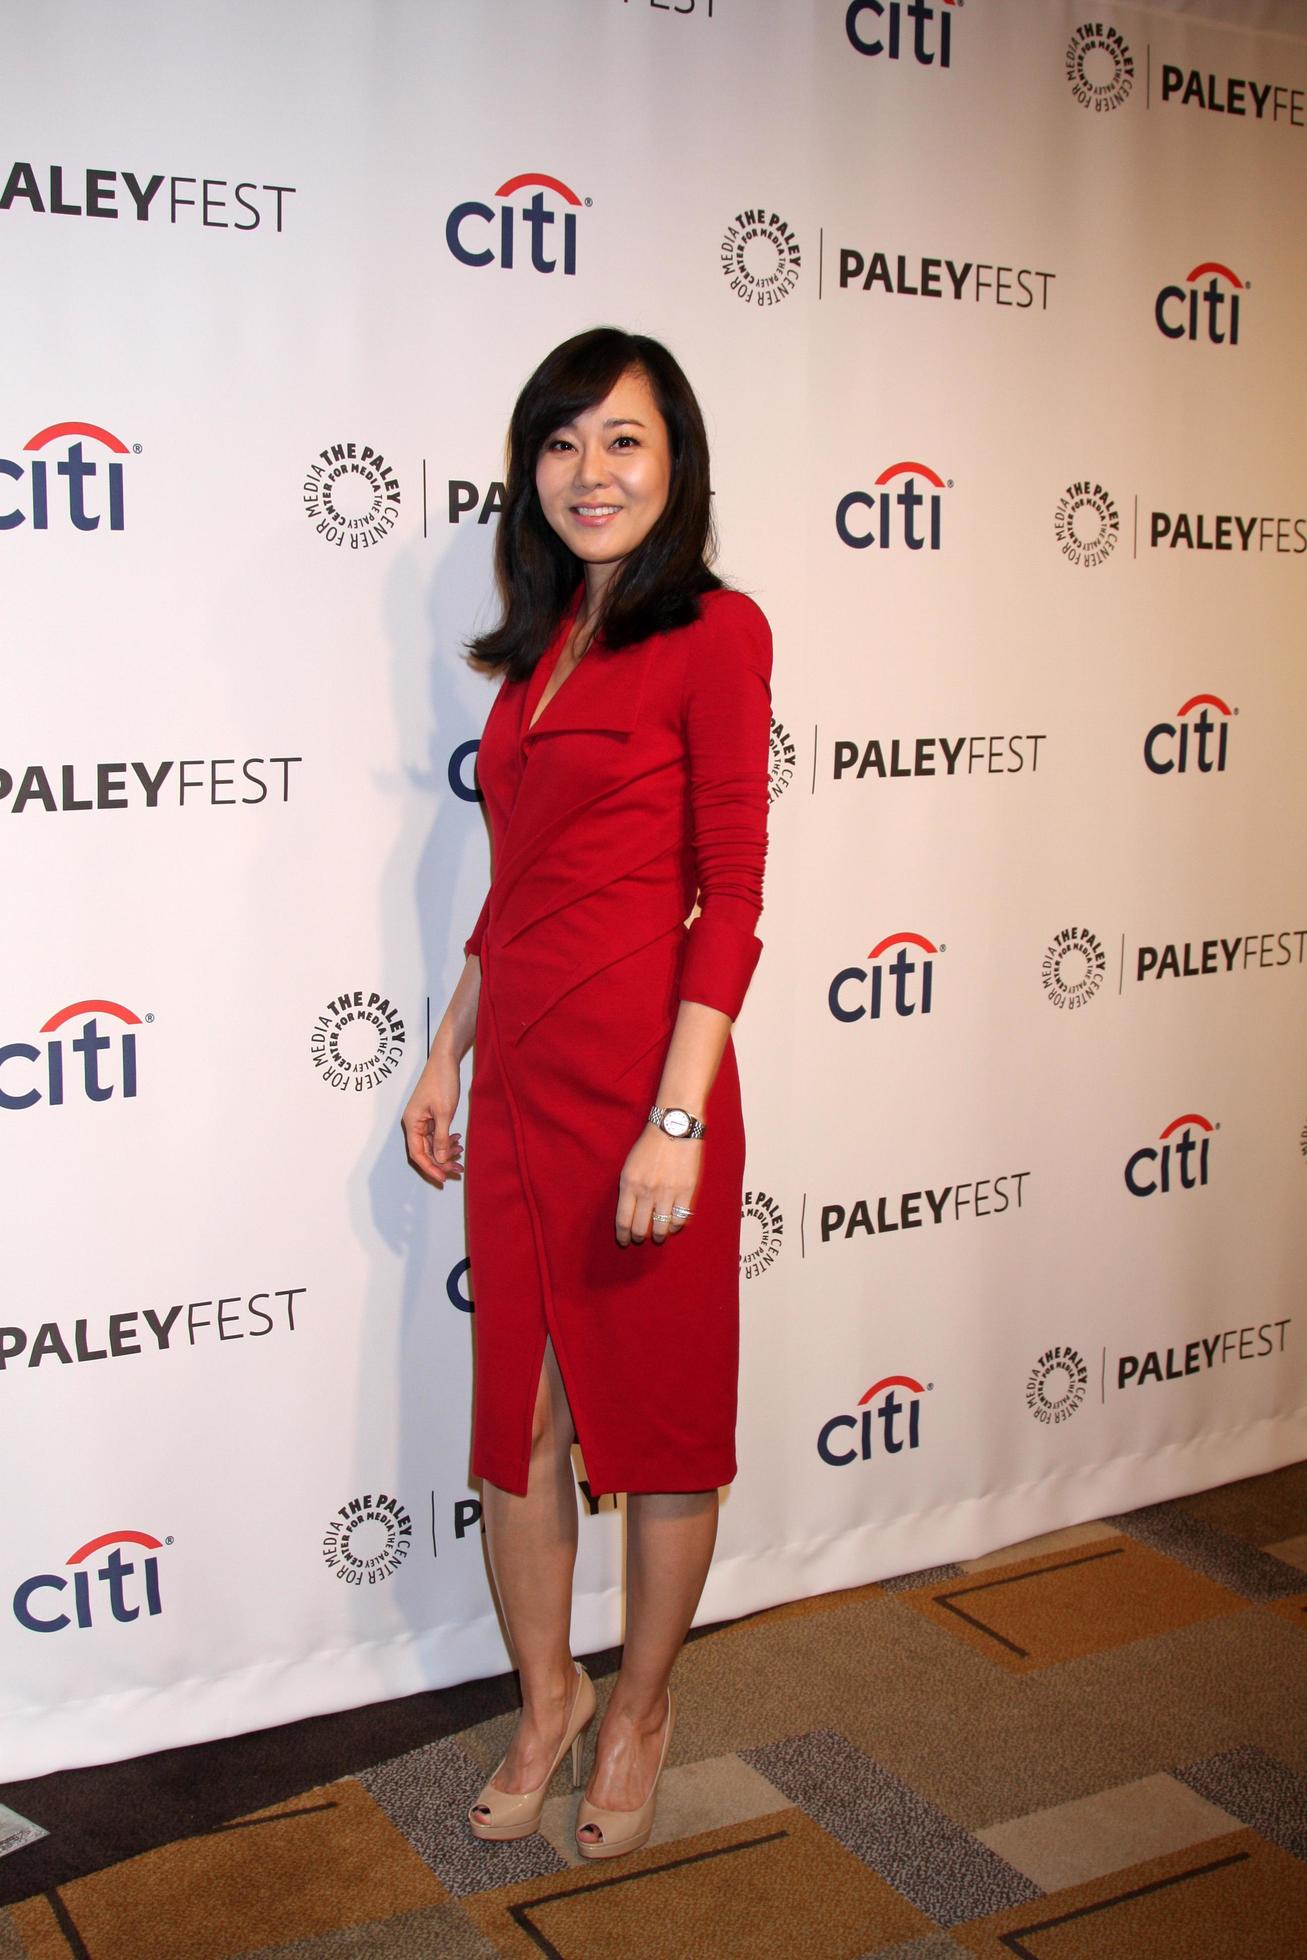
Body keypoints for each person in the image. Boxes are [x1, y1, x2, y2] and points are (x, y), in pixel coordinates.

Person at [401, 326, 772, 1859]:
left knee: (663, 1421)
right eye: (562, 444)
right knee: (524, 1416)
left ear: (672, 460)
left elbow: (734, 894)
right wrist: (445, 1052)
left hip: (645, 1081)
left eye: (622, 440)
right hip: (521, 1085)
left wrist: (677, 1118)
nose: (590, 472)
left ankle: (642, 1710)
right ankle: (548, 1699)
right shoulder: (529, 657)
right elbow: (512, 892)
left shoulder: (718, 631)